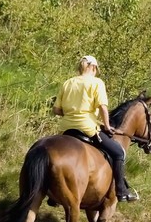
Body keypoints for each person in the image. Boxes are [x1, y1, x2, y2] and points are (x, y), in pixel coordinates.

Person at [52, 55, 139, 202]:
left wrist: (71, 113)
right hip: (88, 128)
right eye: (96, 69)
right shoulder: (96, 83)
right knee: (118, 152)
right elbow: (103, 108)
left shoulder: (68, 83)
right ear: (92, 67)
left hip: (66, 129)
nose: (96, 72)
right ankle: (121, 191)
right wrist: (107, 125)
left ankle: (54, 194)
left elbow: (56, 110)